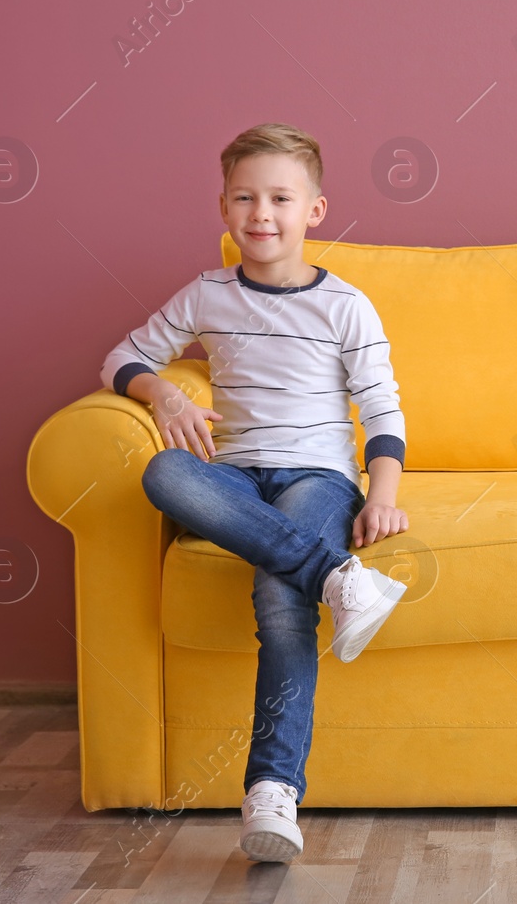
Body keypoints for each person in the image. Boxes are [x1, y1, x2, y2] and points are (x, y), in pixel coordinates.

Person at [97, 122, 410, 863]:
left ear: (315, 211)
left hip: (315, 475)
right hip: (234, 471)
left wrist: (382, 492)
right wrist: (163, 394)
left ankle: (272, 789)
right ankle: (341, 578)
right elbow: (122, 354)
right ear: (223, 206)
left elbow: (383, 407)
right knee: (163, 473)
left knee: (279, 595)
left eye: (279, 197)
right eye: (244, 197)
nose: (261, 213)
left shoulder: (345, 306)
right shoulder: (206, 294)